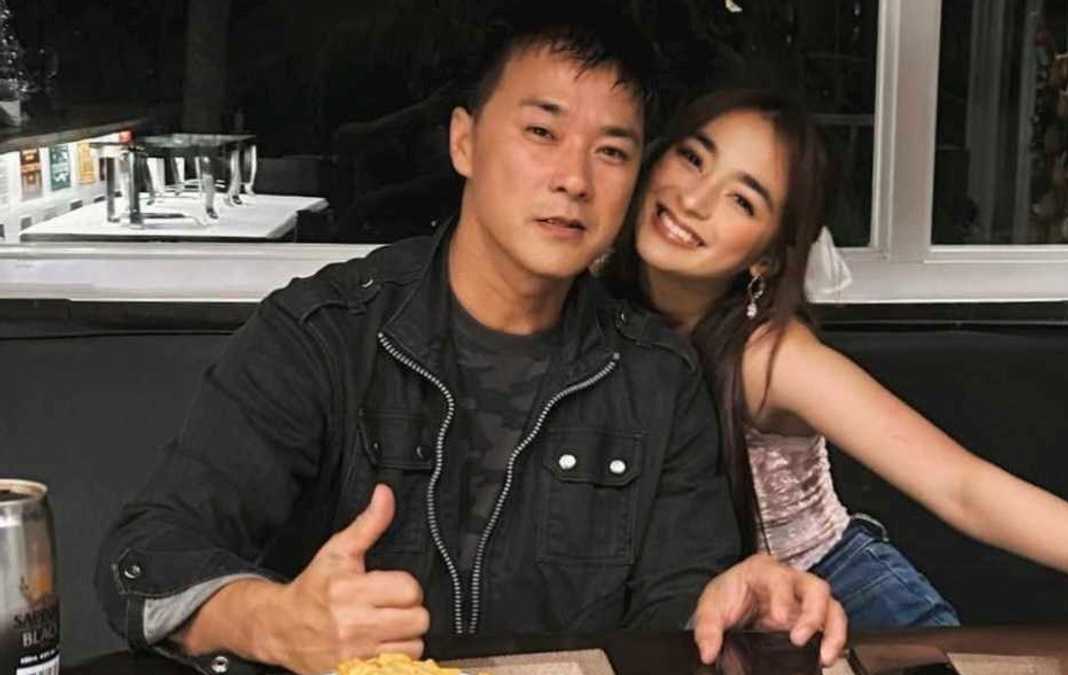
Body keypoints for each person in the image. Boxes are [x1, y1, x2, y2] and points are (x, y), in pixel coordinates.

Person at [93, 11, 848, 675]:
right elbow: (145, 554)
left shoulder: (659, 379)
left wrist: (722, 606)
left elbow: (678, 607)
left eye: (612, 152)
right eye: (542, 132)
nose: (575, 179)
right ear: (465, 141)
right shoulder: (325, 333)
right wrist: (275, 620)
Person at [601, 87, 1068, 631]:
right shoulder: (589, 300)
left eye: (742, 199)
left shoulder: (770, 359)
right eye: (693, 158)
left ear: (768, 257)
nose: (694, 198)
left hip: (847, 601)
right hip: (703, 616)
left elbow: (963, 486)